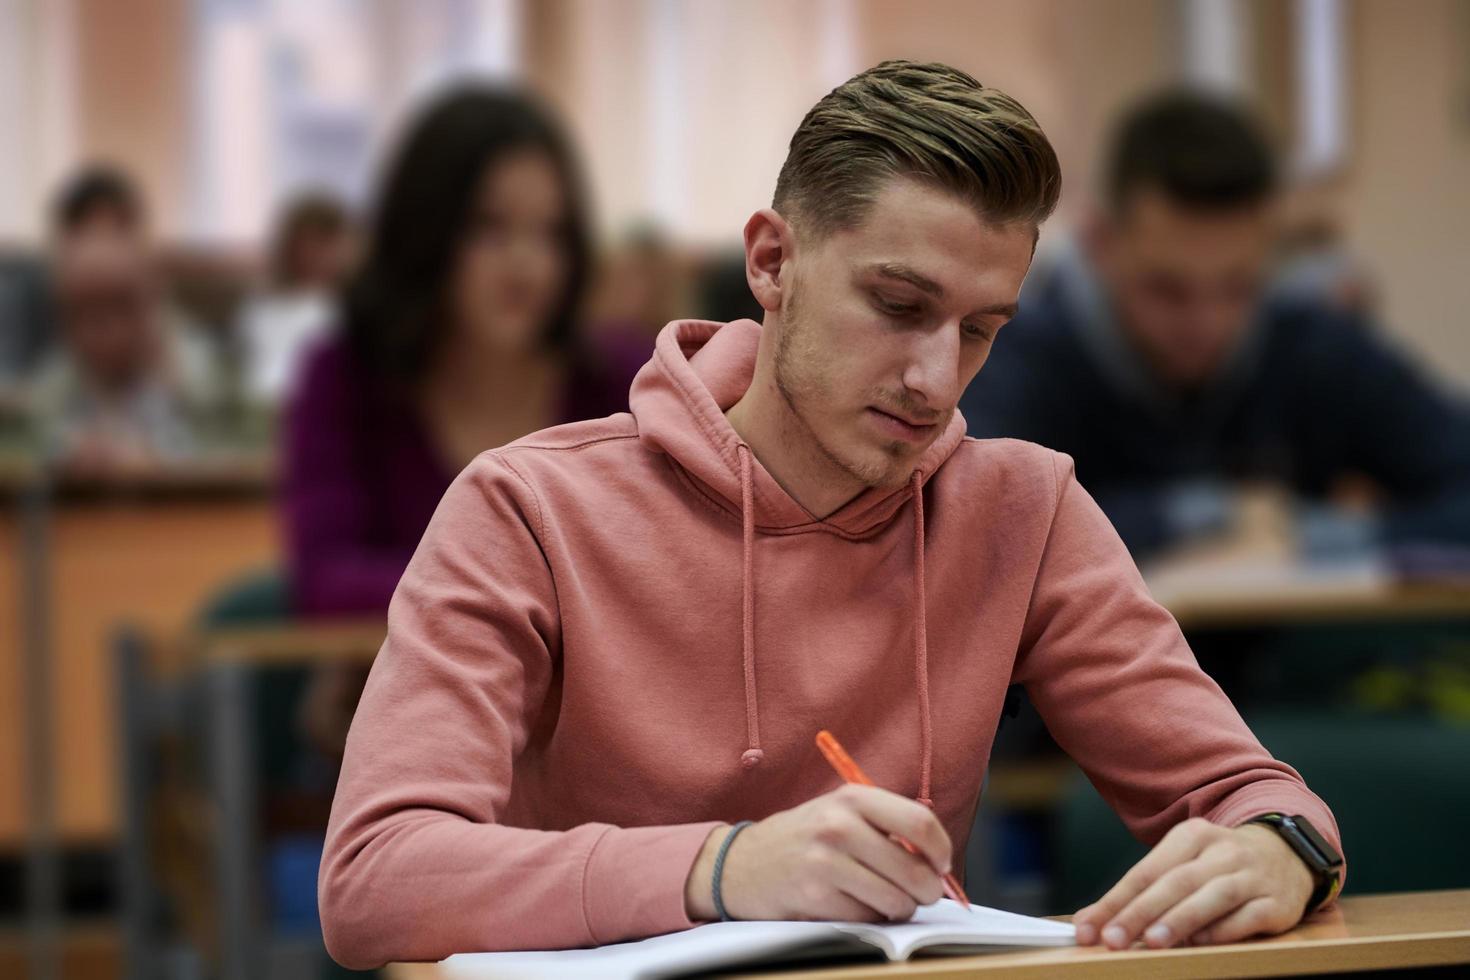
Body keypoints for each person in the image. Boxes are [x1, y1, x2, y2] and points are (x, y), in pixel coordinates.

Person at [319, 62, 1343, 968]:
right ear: (772, 262)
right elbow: (373, 877)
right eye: (899, 306)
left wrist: (1279, 848)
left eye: (981, 329)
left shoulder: (1022, 511)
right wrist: (722, 866)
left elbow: (1261, 797)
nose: (938, 380)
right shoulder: (526, 507)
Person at [282, 85, 644, 757]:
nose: (527, 264)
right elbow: (324, 585)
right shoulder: (345, 375)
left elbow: (666, 573)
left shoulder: (623, 379)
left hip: (599, 752)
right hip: (408, 743)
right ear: (427, 230)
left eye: (551, 233)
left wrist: (458, 595)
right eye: (490, 228)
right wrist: (544, 591)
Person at [960, 90, 1470, 562]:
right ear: (1099, 242)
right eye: (1167, 289)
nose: (1207, 323)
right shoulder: (1019, 354)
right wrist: (1206, 515)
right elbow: (982, 523)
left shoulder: (1315, 346)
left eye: (1237, 287)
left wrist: (1334, 538)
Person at [235, 191, 355, 404]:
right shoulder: (260, 305)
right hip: (259, 406)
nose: (317, 255)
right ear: (290, 245)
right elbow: (243, 364)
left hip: (316, 405)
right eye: (310, 243)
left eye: (327, 244)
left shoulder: (349, 308)